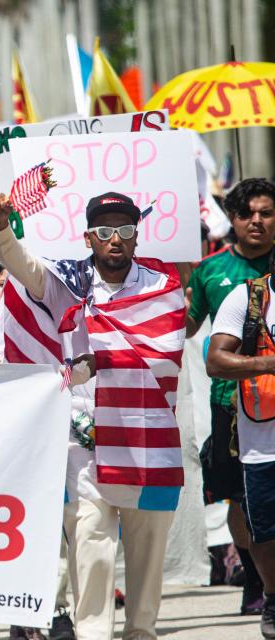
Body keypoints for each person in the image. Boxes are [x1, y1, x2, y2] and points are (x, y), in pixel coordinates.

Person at [0, 192, 184, 640]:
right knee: (90, 554)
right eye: (106, 231)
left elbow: (168, 350)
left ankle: (142, 633)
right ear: (89, 237)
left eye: (126, 231)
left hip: (146, 441)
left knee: (148, 559)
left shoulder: (161, 286)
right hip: (85, 447)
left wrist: (108, 358)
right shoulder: (66, 282)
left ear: (136, 237)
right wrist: (0, 227)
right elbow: (22, 265)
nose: (116, 240)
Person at [186, 177, 275, 615]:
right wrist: (175, 289)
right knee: (241, 497)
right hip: (231, 402)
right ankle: (255, 575)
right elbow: (182, 329)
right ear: (233, 221)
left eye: (266, 213)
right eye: (246, 214)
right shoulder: (209, 271)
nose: (256, 221)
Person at [206, 222, 275, 639]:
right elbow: (216, 361)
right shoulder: (248, 299)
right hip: (261, 442)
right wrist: (268, 363)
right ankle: (273, 597)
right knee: (266, 532)